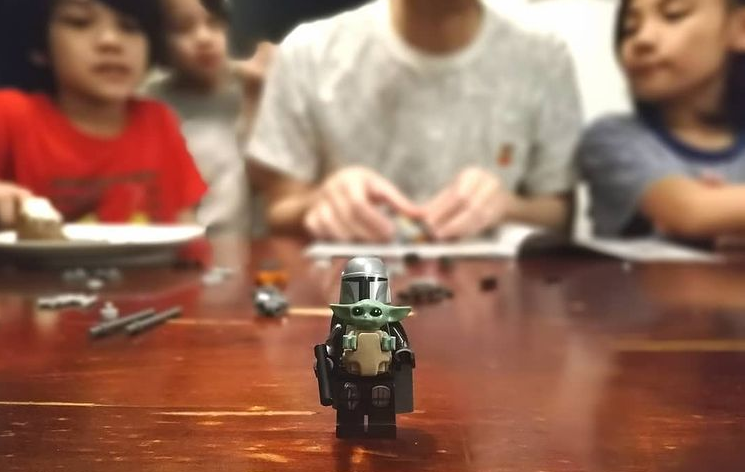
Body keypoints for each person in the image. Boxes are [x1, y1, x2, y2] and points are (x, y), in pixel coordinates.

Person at [247, 0, 583, 242]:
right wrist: (322, 201)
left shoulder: (543, 56)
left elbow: (560, 211)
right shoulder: (309, 52)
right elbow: (278, 209)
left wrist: (508, 207)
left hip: (499, 299)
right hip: (344, 296)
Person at [0, 0, 206, 228]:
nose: (111, 41)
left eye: (130, 27)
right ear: (39, 45)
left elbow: (185, 226)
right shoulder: (11, 114)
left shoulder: (158, 120)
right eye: (80, 23)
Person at [579, 0, 745, 239]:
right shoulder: (613, 138)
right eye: (630, 29)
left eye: (673, 15)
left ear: (740, 28)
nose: (642, 39)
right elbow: (689, 211)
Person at [145, 0, 273, 233]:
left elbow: (265, 179)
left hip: (245, 242)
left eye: (214, 24)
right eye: (183, 28)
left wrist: (255, 96)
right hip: (178, 240)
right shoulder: (150, 101)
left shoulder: (251, 87)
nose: (203, 38)